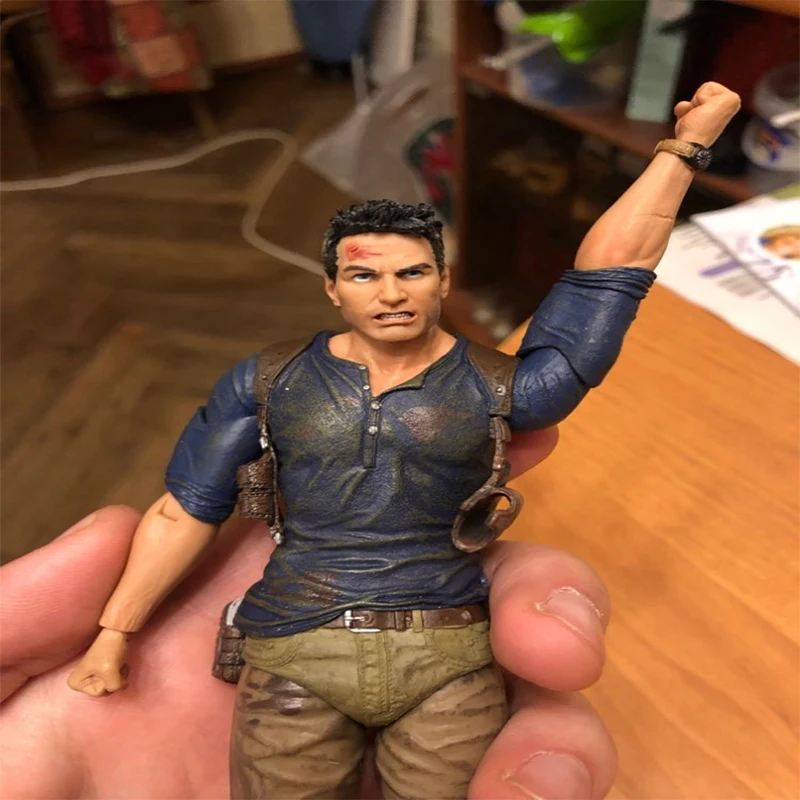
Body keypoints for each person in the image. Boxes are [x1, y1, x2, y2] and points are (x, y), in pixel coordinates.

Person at [4, 82, 739, 799]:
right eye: (364, 275)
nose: (390, 294)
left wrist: (684, 150)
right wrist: (114, 632)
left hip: (447, 655)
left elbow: (605, 280)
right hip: (296, 651)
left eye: (412, 272)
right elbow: (184, 508)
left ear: (442, 279)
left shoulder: (500, 387)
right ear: (332, 287)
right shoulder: (266, 381)